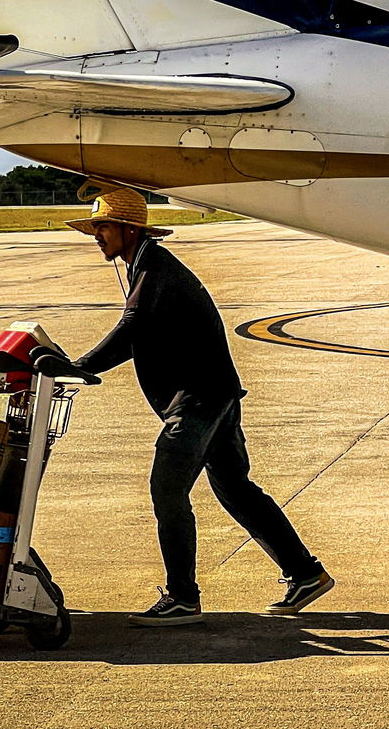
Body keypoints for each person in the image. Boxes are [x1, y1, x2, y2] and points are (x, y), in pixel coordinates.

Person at [64, 185, 334, 626]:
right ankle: (305, 572)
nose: (96, 234)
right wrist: (82, 366)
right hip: (215, 394)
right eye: (94, 227)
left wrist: (81, 365)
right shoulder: (143, 266)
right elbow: (142, 334)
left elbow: (132, 329)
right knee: (235, 489)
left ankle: (182, 598)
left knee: (167, 490)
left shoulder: (156, 269)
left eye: (102, 226)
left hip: (199, 401)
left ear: (129, 229)